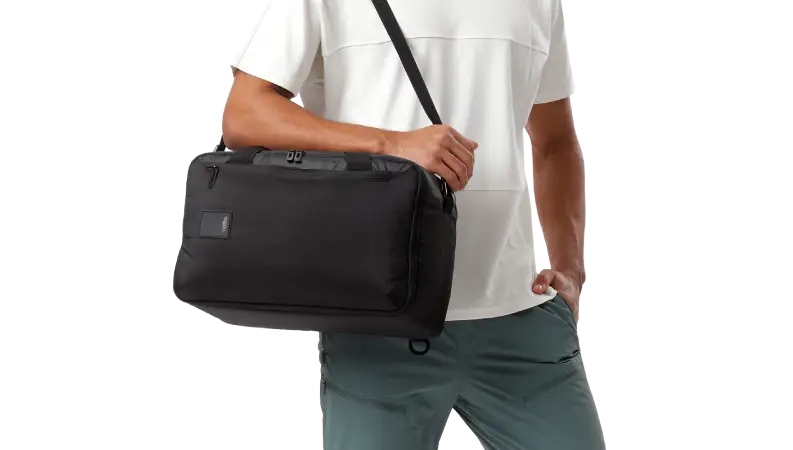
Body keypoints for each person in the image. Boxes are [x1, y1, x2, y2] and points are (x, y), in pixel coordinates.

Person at [224, 0, 602, 448]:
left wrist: (569, 266)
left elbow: (554, 138)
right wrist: (391, 144)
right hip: (380, 325)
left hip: (520, 318)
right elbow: (245, 114)